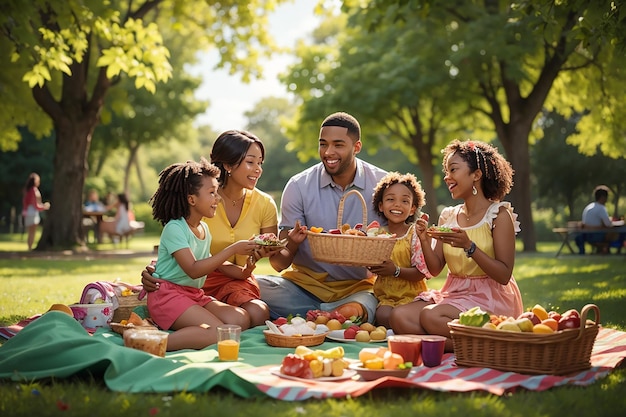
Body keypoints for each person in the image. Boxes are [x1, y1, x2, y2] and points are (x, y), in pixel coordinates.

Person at [389, 139, 523, 352]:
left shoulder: (499, 215)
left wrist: (469, 246)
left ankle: (466, 343)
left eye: (453, 170)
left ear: (476, 175)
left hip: (491, 297)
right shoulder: (448, 215)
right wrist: (424, 239)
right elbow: (434, 269)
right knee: (399, 317)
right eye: (446, 171)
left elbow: (504, 275)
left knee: (430, 316)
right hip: (455, 293)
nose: (446, 177)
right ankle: (481, 347)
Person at [256, 111, 388, 323]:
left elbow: (399, 246)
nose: (328, 152)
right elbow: (278, 264)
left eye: (338, 145)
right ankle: (331, 317)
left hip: (358, 289)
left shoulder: (383, 184)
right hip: (303, 288)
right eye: (323, 144)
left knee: (369, 304)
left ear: (357, 147)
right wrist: (292, 243)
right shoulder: (298, 186)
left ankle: (327, 316)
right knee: (253, 287)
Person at [142, 130, 278, 326]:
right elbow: (179, 251)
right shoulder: (201, 201)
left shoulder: (262, 203)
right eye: (251, 162)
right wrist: (153, 270)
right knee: (219, 328)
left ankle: (203, 321)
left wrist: (253, 263)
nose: (258, 169)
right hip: (195, 281)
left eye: (260, 163)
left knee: (256, 315)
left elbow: (278, 261)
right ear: (228, 165)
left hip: (227, 280)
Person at [147, 157, 260, 351]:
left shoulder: (204, 228)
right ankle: (151, 343)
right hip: (168, 296)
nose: (218, 199)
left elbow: (213, 263)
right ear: (191, 199)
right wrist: (232, 249)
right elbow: (193, 269)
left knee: (239, 319)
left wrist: (245, 270)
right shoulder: (175, 228)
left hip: (194, 295)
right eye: (212, 193)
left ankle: (185, 330)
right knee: (218, 332)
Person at [366, 172, 432, 328]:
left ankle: (408, 331)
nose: (397, 205)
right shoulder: (376, 234)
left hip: (412, 295)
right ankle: (394, 333)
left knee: (399, 316)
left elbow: (421, 273)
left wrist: (395, 270)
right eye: (390, 199)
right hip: (386, 296)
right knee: (383, 315)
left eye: (404, 201)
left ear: (412, 209)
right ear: (381, 206)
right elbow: (369, 269)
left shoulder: (414, 234)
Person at [575, 185, 624, 254]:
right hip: (597, 236)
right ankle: (618, 252)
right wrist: (621, 223)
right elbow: (608, 224)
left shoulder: (589, 207)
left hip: (587, 235)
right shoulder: (601, 208)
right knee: (622, 231)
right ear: (603, 197)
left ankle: (605, 250)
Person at [21, 172, 50, 250]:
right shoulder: (34, 190)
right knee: (32, 232)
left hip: (27, 212)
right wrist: (44, 207)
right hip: (33, 213)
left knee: (29, 232)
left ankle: (29, 247)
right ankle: (30, 248)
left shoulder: (26, 190)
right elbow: (36, 205)